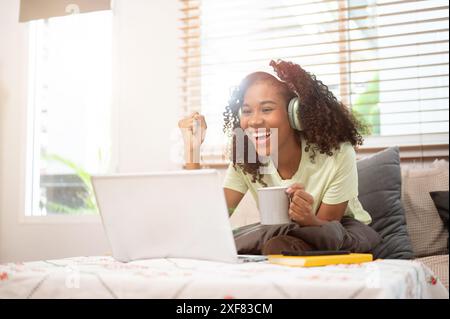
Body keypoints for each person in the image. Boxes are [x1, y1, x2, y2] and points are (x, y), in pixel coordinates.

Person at [178, 59, 381, 256]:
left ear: (295, 113)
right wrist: (192, 151)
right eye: (247, 111)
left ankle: (280, 246)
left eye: (267, 109)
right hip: (280, 232)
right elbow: (212, 219)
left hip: (338, 231)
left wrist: (307, 218)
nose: (255, 121)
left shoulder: (336, 153)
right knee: (254, 237)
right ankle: (281, 247)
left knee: (308, 236)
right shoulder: (247, 156)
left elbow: (326, 229)